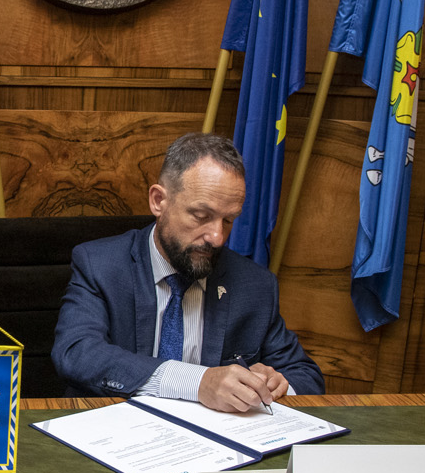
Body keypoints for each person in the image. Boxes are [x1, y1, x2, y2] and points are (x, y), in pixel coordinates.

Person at [52, 133, 323, 411]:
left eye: (228, 220)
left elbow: (306, 376)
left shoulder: (254, 284)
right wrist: (198, 382)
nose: (217, 237)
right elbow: (77, 353)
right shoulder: (101, 265)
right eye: (201, 216)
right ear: (158, 201)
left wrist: (275, 385)